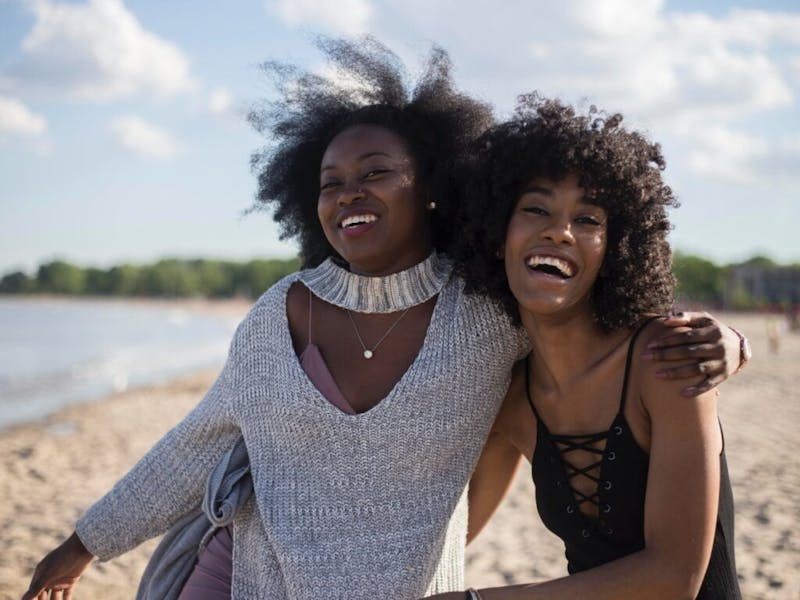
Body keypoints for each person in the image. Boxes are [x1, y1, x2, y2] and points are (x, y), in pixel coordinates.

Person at [22, 40, 745, 600]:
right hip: (246, 579)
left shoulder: (487, 315)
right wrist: (82, 545)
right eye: (331, 182)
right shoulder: (277, 315)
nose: (350, 193)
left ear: (432, 189)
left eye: (375, 173)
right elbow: (195, 445)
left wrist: (732, 342)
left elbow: (589, 330)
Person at [431, 96, 741, 599]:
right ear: (496, 235)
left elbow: (674, 577)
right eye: (536, 209)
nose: (559, 231)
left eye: (589, 220)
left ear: (614, 249)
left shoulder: (666, 360)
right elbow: (445, 536)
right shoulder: (511, 397)